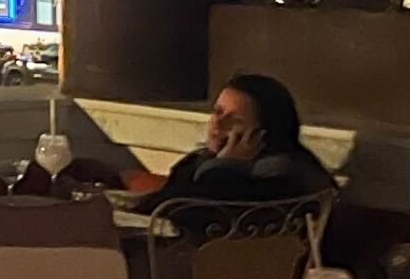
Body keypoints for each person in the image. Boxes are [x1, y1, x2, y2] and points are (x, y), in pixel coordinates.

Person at [130, 73, 337, 213]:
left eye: (235, 120)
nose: (217, 123)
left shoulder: (278, 179)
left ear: (261, 135)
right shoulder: (199, 162)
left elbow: (189, 213)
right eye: (218, 111)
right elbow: (158, 206)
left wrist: (225, 168)